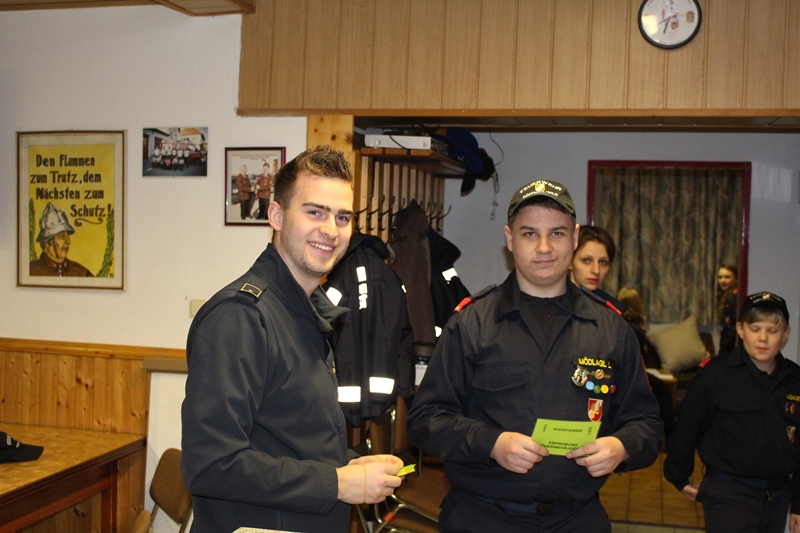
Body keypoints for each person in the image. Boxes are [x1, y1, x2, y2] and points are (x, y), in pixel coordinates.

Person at [406, 179, 664, 533]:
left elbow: (648, 424)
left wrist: (622, 446)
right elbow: (425, 419)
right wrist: (491, 443)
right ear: (510, 239)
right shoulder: (472, 323)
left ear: (575, 238)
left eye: (557, 233)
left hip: (577, 519)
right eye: (530, 234)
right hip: (484, 518)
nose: (544, 247)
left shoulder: (611, 329)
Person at [181, 145, 403, 533]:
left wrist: (349, 466)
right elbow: (211, 465)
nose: (331, 230)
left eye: (343, 217)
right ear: (277, 215)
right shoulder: (241, 317)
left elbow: (288, 440)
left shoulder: (307, 311)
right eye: (315, 212)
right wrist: (337, 483)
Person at [664, 291, 800, 533]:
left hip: (777, 497)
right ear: (740, 330)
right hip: (728, 492)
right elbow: (688, 427)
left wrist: (798, 502)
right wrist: (679, 476)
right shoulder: (717, 375)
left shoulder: (795, 379)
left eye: (772, 330)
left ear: (786, 334)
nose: (763, 338)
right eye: (755, 329)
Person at [617, 287, 676, 436]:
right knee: (663, 389)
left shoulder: (617, 323)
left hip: (623, 371)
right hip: (631, 373)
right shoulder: (634, 328)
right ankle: (668, 432)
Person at [568, 225, 626, 313]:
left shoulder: (613, 310)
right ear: (569, 262)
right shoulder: (551, 303)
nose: (596, 270)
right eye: (587, 261)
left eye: (603, 262)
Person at [29, 202, 94, 277]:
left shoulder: (83, 273)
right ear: (46, 242)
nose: (69, 241)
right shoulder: (31, 271)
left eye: (67, 234)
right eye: (62, 235)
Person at [716, 263, 739, 356]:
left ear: (736, 279)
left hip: (731, 338)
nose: (722, 280)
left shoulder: (733, 297)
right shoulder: (726, 295)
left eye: (727, 277)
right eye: (720, 277)